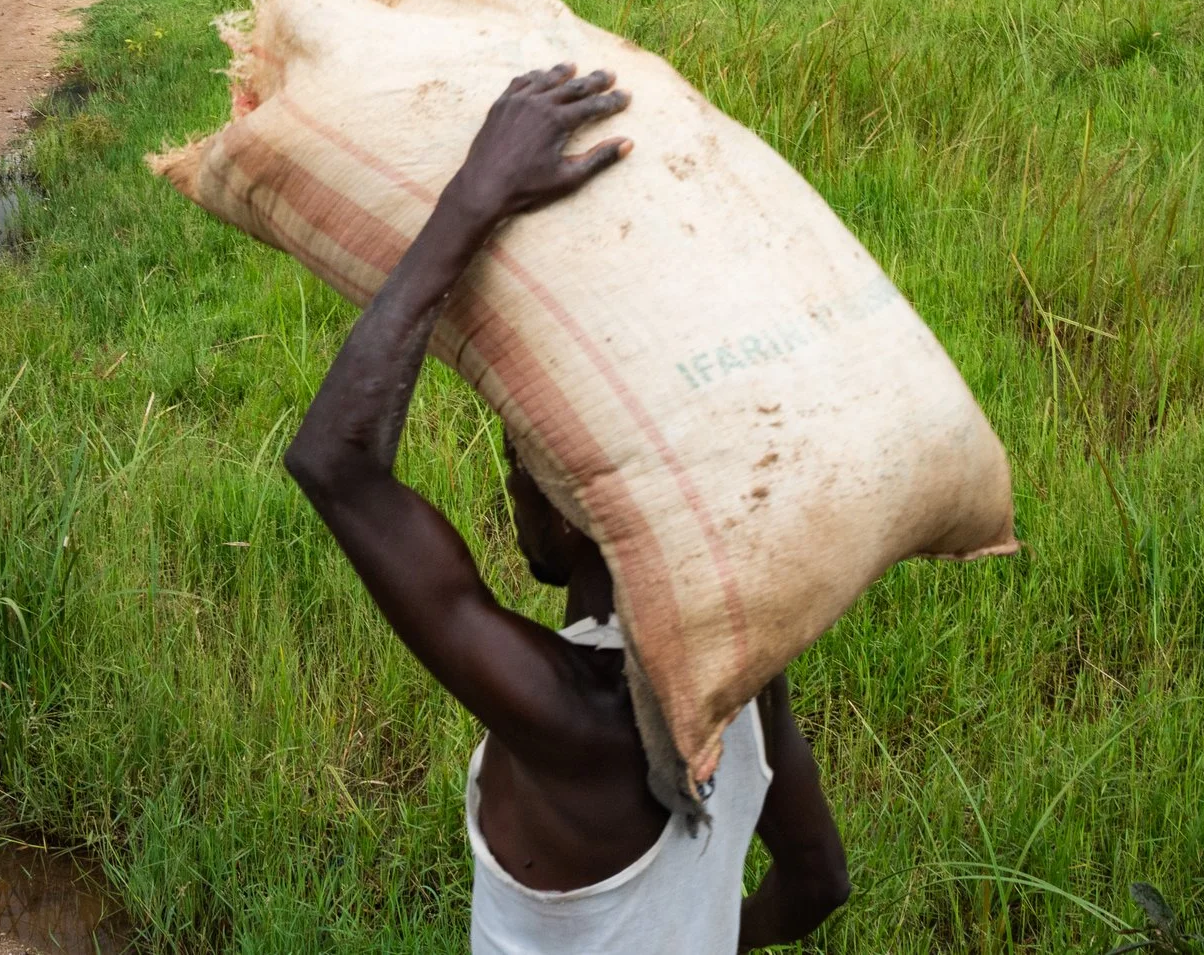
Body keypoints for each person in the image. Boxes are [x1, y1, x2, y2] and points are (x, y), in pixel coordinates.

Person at [283, 66, 852, 954]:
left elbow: (335, 463)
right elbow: (819, 879)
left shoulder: (577, 715)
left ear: (567, 502)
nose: (508, 480)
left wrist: (474, 197)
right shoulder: (743, 680)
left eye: (517, 459)